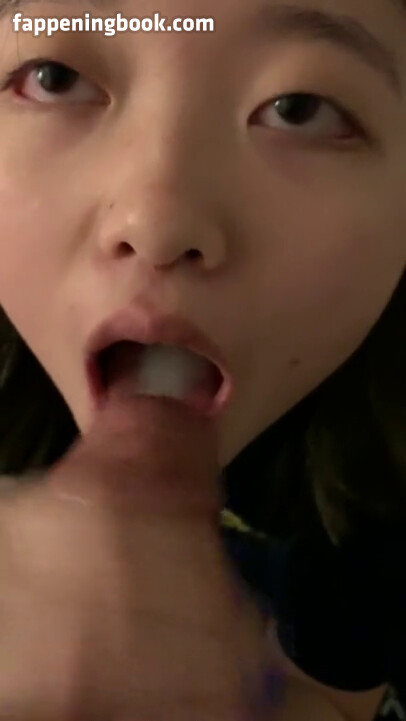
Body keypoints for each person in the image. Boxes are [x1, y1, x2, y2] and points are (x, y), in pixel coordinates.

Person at [0, 0, 404, 717]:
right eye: (55, 77)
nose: (158, 221)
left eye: (300, 109)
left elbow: (340, 700)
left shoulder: (384, 482)